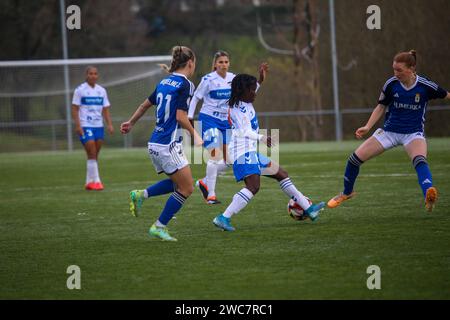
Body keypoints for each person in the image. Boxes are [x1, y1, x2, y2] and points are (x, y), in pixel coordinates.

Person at [327, 50, 450, 212]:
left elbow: (447, 95)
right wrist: (367, 126)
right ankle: (347, 192)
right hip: (389, 132)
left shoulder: (426, 86)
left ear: (412, 68)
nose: (395, 73)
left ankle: (428, 194)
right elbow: (381, 106)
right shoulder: (391, 84)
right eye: (394, 69)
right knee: (354, 159)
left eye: (399, 70)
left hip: (413, 133)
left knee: (420, 160)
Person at [212, 69, 325, 231]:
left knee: (281, 174)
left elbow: (252, 89)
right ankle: (223, 218)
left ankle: (309, 209)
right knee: (253, 187)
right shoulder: (238, 109)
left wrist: (260, 80)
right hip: (242, 153)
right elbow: (245, 131)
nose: (255, 92)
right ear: (243, 91)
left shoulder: (245, 100)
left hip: (250, 152)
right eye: (252, 90)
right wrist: (262, 138)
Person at [120, 46, 203, 241]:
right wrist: (195, 135)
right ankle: (159, 226)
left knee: (179, 183)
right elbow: (181, 116)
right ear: (190, 63)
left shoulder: (164, 81)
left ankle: (141, 195)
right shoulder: (186, 84)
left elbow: (144, 105)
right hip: (168, 145)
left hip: (155, 143)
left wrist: (130, 123)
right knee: (187, 188)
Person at [188, 51, 263, 205]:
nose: (223, 65)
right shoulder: (208, 79)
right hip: (209, 120)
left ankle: (204, 182)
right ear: (215, 64)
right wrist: (189, 117)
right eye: (220, 62)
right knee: (215, 156)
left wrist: (260, 81)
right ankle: (211, 195)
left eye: (226, 62)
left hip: (227, 121)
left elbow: (248, 93)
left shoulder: (233, 78)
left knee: (229, 160)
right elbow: (196, 97)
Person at [72, 66, 114, 191]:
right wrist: (78, 125)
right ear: (86, 75)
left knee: (94, 155)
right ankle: (97, 181)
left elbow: (105, 110)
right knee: (91, 150)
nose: (93, 76)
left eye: (95, 73)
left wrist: (109, 124)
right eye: (91, 73)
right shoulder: (80, 90)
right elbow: (75, 109)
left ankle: (88, 182)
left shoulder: (102, 90)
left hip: (98, 126)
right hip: (85, 125)